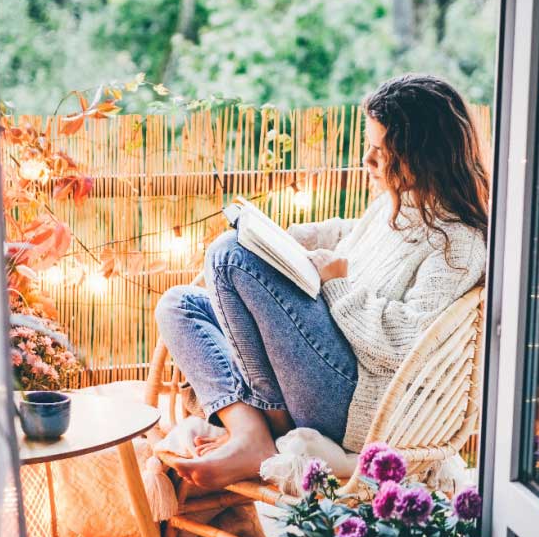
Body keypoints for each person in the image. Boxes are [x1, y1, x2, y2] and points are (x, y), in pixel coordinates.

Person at [155, 73, 489, 489]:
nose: (367, 161)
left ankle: (254, 426)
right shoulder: (398, 204)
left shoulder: (458, 242)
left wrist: (335, 285)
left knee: (228, 254)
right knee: (180, 303)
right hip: (321, 369)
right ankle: (250, 432)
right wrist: (286, 239)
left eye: (380, 152)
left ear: (423, 157)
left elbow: (406, 342)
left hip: (356, 401)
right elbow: (349, 236)